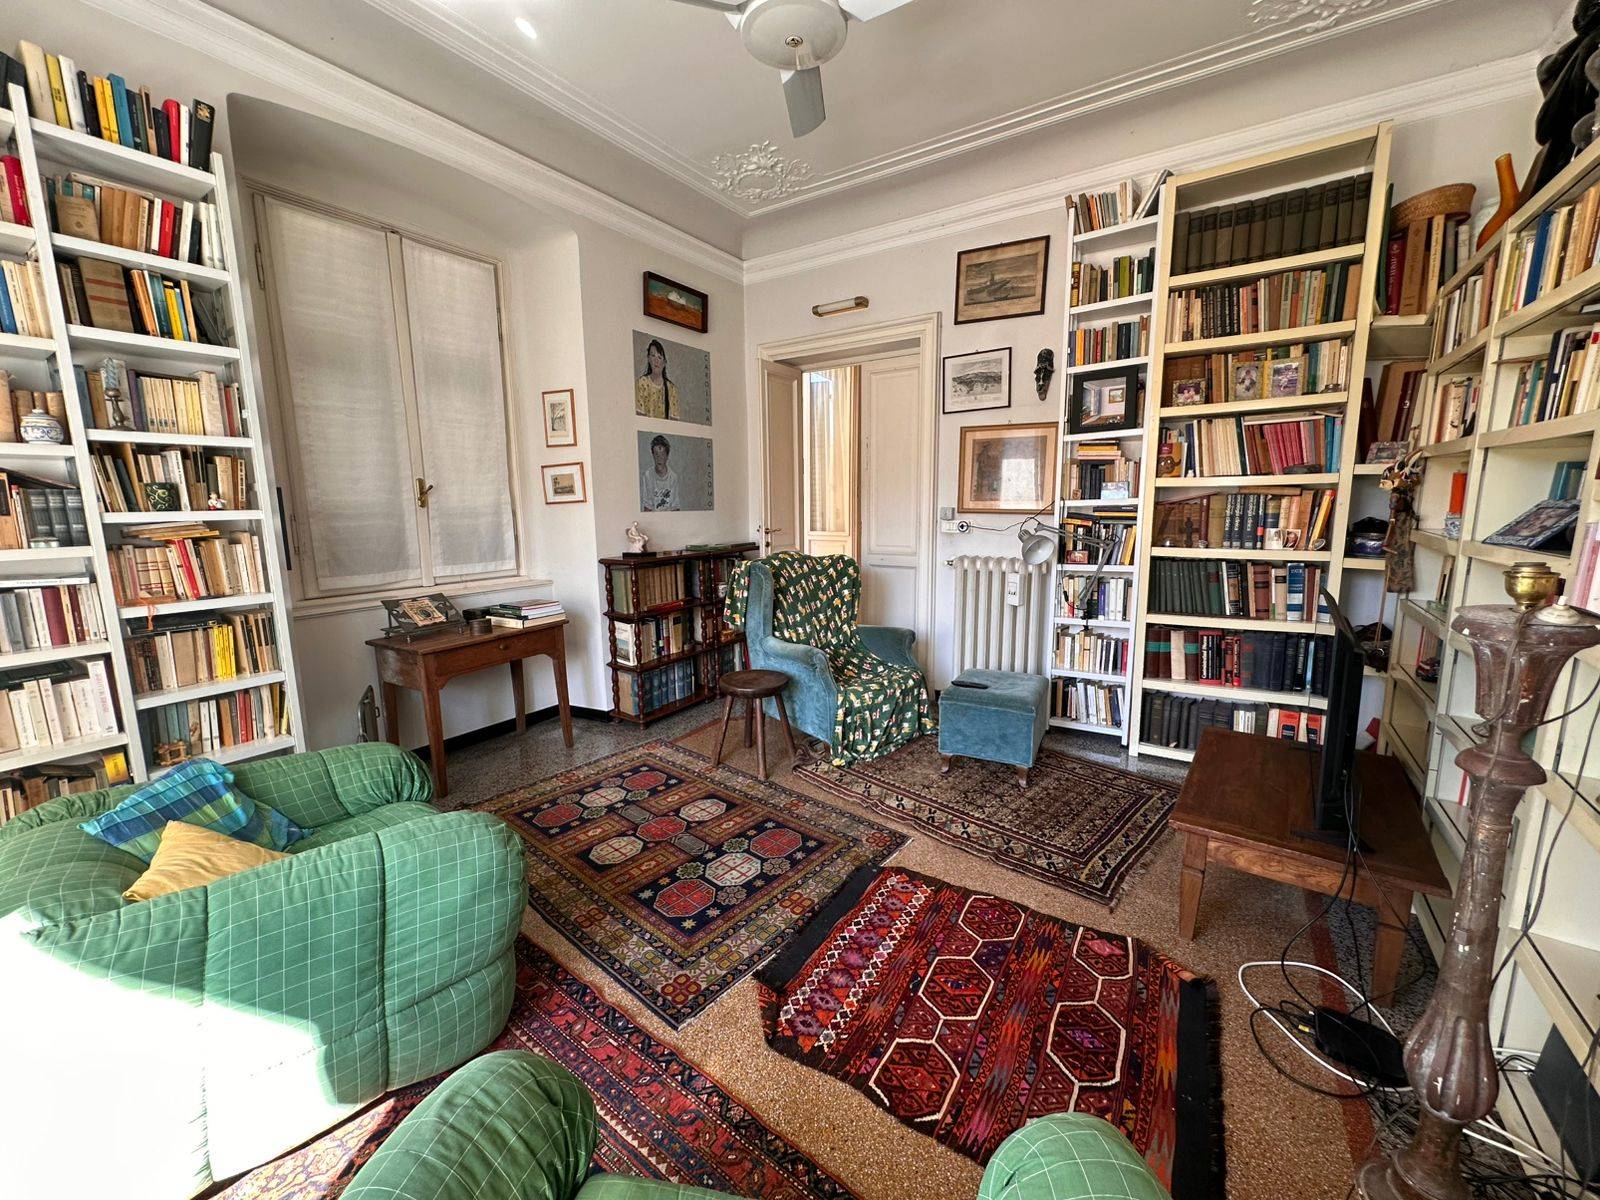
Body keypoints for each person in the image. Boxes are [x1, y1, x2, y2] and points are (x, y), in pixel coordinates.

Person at [635, 339, 679, 420]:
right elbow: (639, 416)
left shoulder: (671, 389)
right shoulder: (641, 383)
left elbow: (674, 420)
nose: (656, 360)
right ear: (648, 358)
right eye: (653, 356)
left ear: (664, 362)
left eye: (659, 357)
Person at [640, 434, 679, 511]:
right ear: (653, 455)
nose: (659, 458)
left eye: (662, 454)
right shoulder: (647, 475)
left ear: (667, 456)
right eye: (656, 454)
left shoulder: (673, 477)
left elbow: (675, 507)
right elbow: (647, 506)